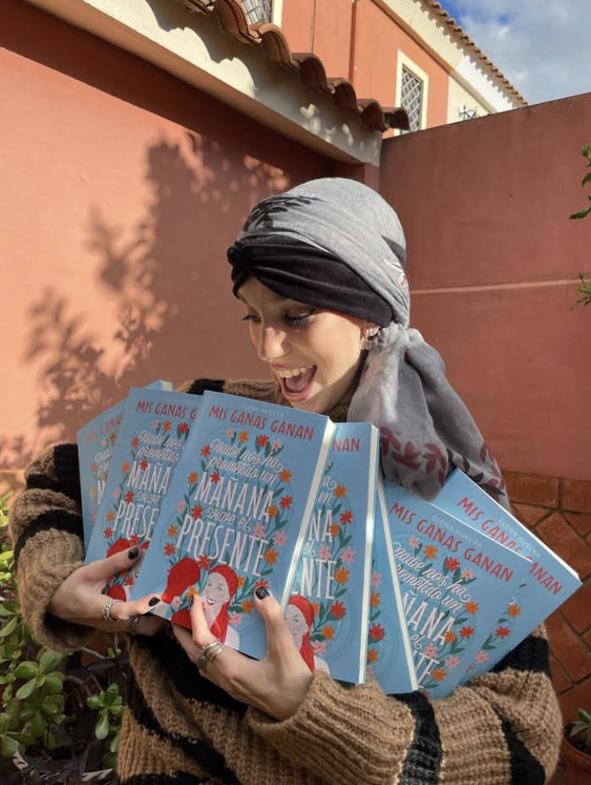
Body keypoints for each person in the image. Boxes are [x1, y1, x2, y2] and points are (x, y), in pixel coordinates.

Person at [10, 178, 562, 785]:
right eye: (253, 315)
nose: (269, 347)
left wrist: (314, 712)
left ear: (372, 315)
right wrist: (60, 587)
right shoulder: (205, 413)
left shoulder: (446, 483)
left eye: (295, 316)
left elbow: (524, 740)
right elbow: (53, 482)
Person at [284, 594, 330, 675]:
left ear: (307, 627)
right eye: (285, 618)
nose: (288, 624)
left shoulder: (319, 666)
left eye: (296, 620)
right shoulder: (273, 656)